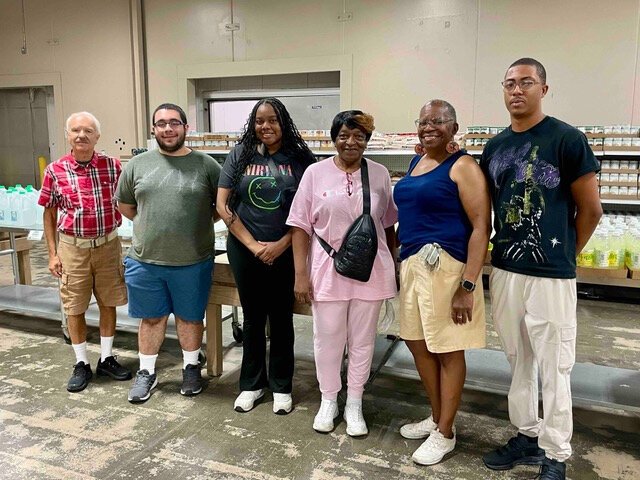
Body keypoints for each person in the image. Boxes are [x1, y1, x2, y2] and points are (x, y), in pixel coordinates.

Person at [480, 58, 602, 480]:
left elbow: (592, 209)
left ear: (543, 89)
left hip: (551, 274)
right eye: (509, 83)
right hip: (507, 270)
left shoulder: (567, 139)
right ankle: (527, 435)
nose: (516, 90)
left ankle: (555, 454)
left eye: (526, 83)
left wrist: (566, 252)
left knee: (555, 366)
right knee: (519, 361)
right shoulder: (494, 147)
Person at [287, 110, 397, 436]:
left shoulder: (378, 174)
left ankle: (355, 402)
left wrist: (393, 262)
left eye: (359, 136)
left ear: (367, 140)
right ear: (334, 138)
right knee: (327, 339)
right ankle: (329, 399)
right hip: (325, 268)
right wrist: (300, 275)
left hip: (371, 271)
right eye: (344, 135)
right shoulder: (314, 173)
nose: (351, 142)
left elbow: (388, 224)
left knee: (363, 341)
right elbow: (299, 227)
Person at [394, 100, 490, 465]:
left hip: (447, 268)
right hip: (413, 265)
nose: (428, 126)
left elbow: (482, 228)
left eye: (437, 121)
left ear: (454, 127)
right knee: (418, 344)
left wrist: (467, 287)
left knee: (448, 350)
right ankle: (436, 418)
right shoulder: (419, 161)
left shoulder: (463, 166)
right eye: (423, 121)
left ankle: (446, 432)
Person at [116, 103, 222, 403]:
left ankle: (191, 368)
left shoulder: (207, 165)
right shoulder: (137, 165)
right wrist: (151, 224)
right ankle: (147, 372)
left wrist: (196, 224)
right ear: (153, 129)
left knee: (190, 318)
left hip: (193, 260)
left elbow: (220, 207)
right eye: (161, 123)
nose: (168, 128)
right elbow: (125, 205)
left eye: (174, 123)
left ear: (186, 128)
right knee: (151, 319)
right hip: (146, 260)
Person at [217, 98, 315, 415]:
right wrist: (253, 245)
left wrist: (280, 244)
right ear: (253, 124)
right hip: (246, 250)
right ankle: (251, 385)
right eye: (260, 121)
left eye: (272, 120)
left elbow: (309, 212)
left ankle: (282, 386)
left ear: (283, 122)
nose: (266, 126)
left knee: (282, 319)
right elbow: (223, 205)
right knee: (253, 318)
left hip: (286, 250)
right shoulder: (240, 154)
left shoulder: (301, 159)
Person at [39, 111, 130, 392]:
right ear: (67, 135)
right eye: (76, 130)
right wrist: (53, 254)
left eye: (88, 131)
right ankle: (81, 363)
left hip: (107, 245)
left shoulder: (113, 166)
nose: (82, 135)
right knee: (75, 307)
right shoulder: (55, 170)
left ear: (97, 136)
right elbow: (49, 213)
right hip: (72, 249)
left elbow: (128, 202)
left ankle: (106, 357)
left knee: (108, 301)